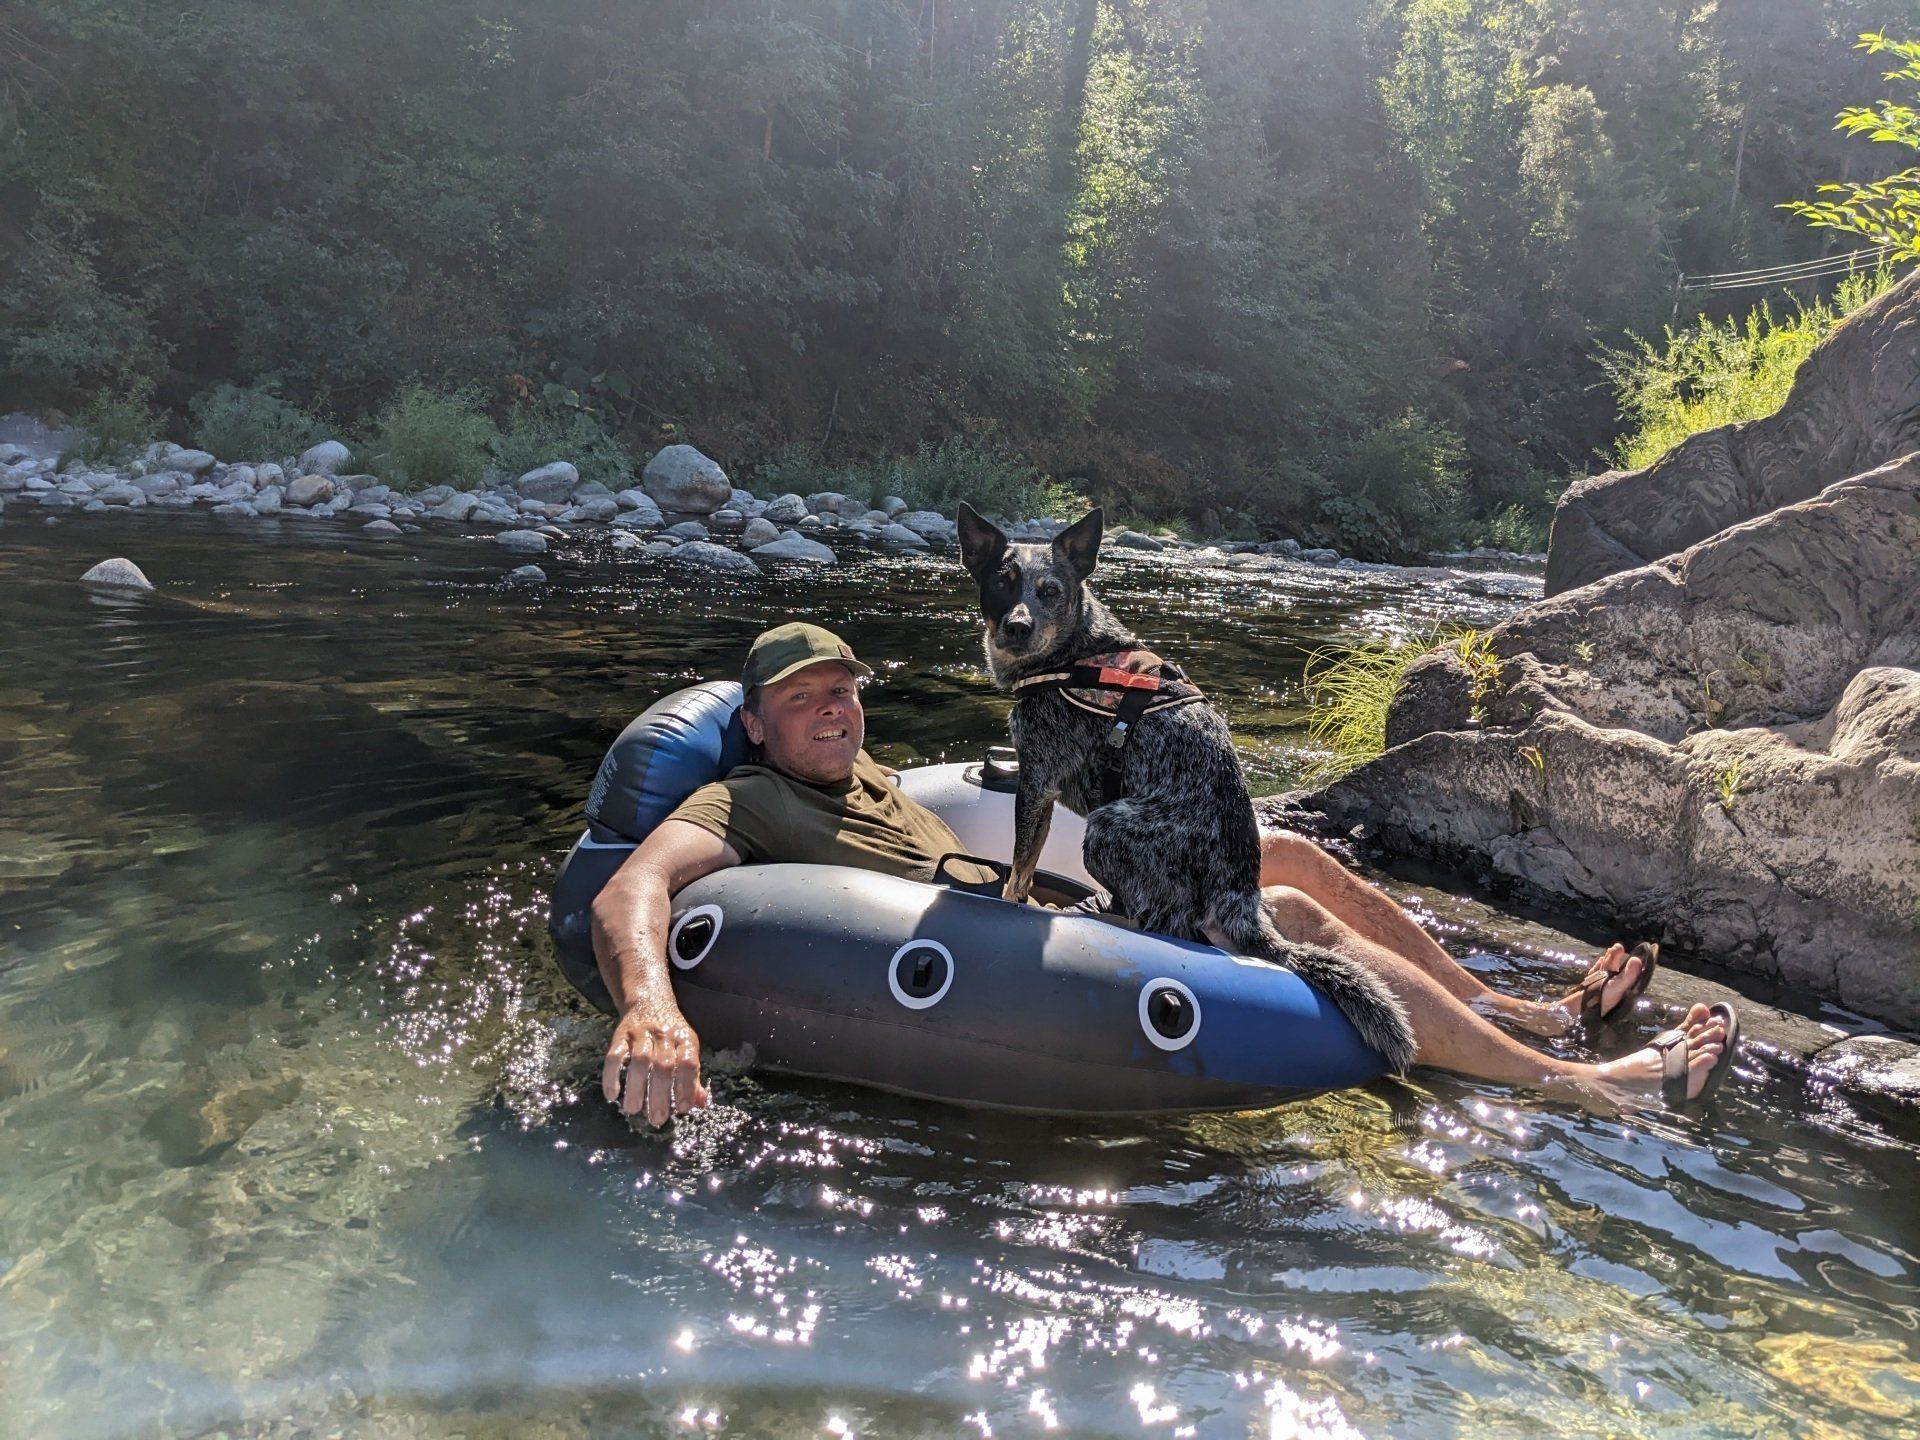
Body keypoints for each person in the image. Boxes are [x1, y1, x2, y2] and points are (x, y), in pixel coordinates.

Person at [590, 623, 1732, 1127]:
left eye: (843, 691)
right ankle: (1578, 1084)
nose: (834, 711)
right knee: (1278, 910)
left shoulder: (868, 771)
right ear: (754, 722)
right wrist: (649, 1002)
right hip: (1042, 958)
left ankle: (1510, 1006)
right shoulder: (743, 800)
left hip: (1043, 914)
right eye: (804, 699)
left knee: (1275, 850)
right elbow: (632, 889)